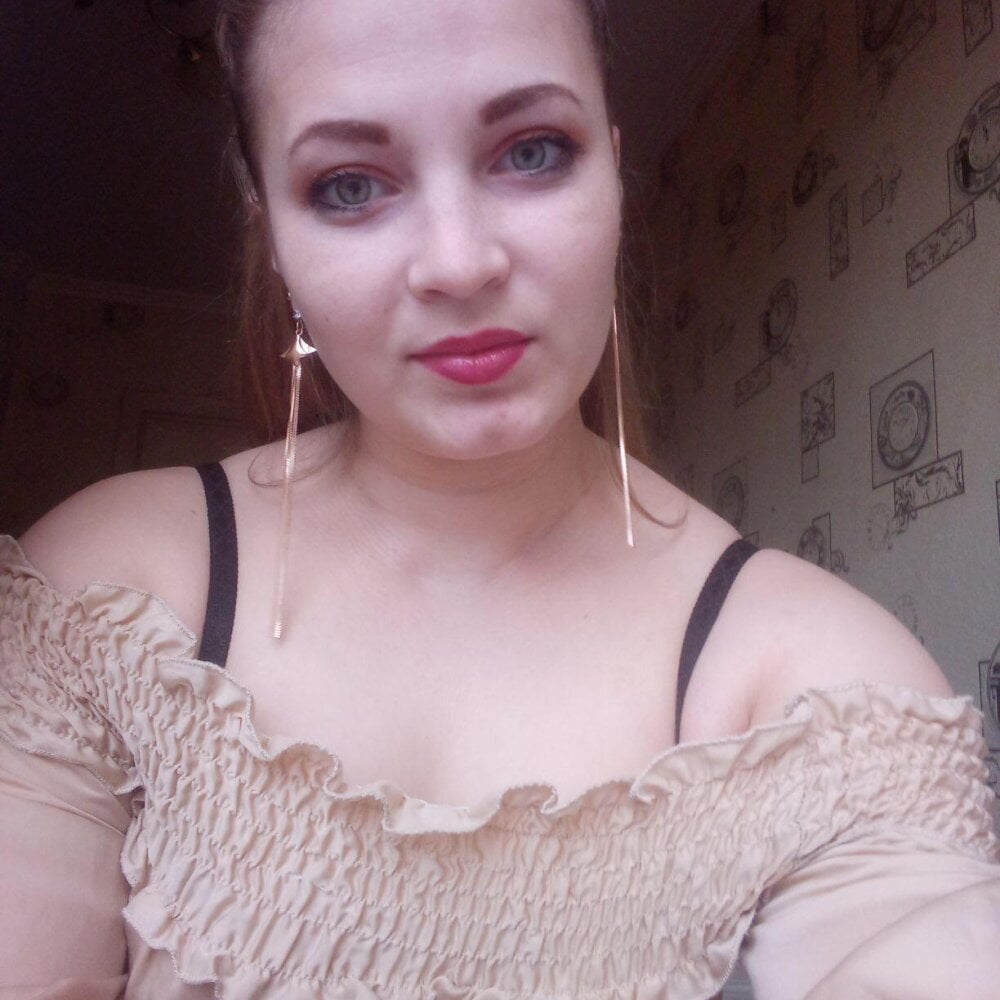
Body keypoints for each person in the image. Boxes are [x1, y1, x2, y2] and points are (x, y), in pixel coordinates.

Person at [1, 0, 998, 996]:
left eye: (532, 152)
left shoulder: (813, 678)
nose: (460, 262)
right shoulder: (102, 594)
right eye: (348, 185)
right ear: (272, 238)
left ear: (614, 177)